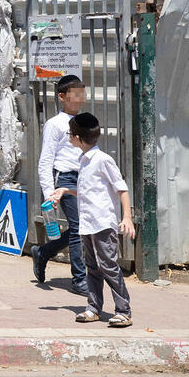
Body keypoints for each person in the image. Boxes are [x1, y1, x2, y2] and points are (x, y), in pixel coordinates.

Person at [51, 112, 134, 327]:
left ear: (78, 138)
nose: (69, 137)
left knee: (108, 266)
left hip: (103, 223)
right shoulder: (83, 159)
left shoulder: (103, 160)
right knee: (92, 267)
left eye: (70, 134)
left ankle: (123, 311)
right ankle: (94, 308)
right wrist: (65, 190)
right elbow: (87, 191)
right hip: (88, 224)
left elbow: (122, 188)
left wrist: (127, 217)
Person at [32, 75, 89, 296]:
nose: (80, 97)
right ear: (62, 97)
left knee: (81, 227)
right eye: (75, 93)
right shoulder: (55, 124)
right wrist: (49, 193)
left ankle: (44, 252)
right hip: (64, 179)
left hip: (83, 179)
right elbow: (46, 160)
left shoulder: (85, 121)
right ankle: (79, 279)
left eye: (82, 93)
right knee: (78, 226)